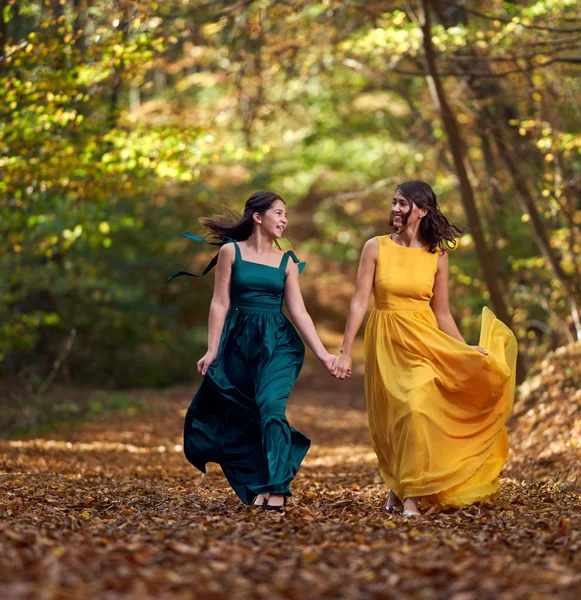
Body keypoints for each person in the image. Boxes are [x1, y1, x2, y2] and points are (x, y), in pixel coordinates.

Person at [331, 181, 517, 517]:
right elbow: (360, 301)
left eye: (403, 203)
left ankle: (413, 495)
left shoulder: (437, 256)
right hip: (385, 338)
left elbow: (442, 312)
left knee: (418, 407)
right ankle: (398, 485)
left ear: (422, 210)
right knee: (395, 416)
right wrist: (345, 350)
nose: (396, 209)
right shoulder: (375, 247)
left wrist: (464, 350)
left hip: (424, 340)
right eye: (394, 203)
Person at [169, 191, 342, 511]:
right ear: (257, 217)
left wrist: (324, 355)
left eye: (285, 214)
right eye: (278, 213)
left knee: (271, 408)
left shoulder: (287, 260)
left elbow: (299, 312)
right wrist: (212, 349)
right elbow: (220, 302)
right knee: (242, 414)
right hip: (238, 344)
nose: (284, 219)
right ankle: (258, 482)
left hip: (278, 345)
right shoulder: (230, 253)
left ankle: (276, 491)